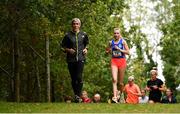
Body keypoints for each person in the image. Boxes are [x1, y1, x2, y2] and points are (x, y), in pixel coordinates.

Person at [61, 18, 89, 103]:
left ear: (79, 25)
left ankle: (77, 95)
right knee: (73, 78)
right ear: (72, 25)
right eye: (74, 24)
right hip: (71, 60)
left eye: (77, 24)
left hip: (81, 58)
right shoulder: (67, 35)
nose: (75, 25)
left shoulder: (84, 34)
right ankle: (77, 96)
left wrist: (86, 49)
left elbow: (87, 43)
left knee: (79, 77)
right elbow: (62, 46)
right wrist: (68, 50)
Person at [106, 28, 130, 103]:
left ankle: (121, 94)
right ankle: (115, 97)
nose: (116, 34)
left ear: (119, 34)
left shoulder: (123, 42)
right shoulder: (111, 42)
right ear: (113, 34)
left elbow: (128, 52)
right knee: (114, 80)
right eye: (115, 33)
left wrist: (120, 49)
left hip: (122, 61)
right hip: (114, 61)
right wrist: (109, 51)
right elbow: (107, 51)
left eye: (117, 33)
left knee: (120, 83)